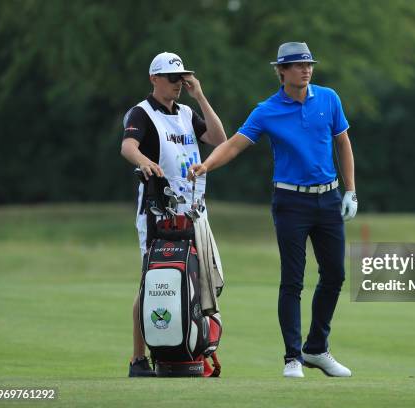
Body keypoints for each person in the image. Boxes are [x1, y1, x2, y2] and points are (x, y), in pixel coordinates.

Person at [189, 42, 357, 378]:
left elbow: (343, 142)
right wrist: (206, 165)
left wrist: (350, 190)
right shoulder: (267, 110)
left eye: (308, 64)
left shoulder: (329, 98)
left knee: (335, 274)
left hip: (328, 198)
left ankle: (316, 349)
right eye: (297, 65)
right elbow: (235, 144)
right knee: (293, 280)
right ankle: (293, 357)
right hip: (290, 202)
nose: (305, 69)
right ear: (281, 71)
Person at [120, 51, 227, 377]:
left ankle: (190, 349)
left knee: (200, 280)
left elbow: (219, 138)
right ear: (154, 79)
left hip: (194, 212)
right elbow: (128, 146)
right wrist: (144, 162)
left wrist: (200, 95)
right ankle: (139, 359)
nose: (177, 83)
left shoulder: (185, 112)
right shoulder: (142, 112)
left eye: (181, 77)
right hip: (158, 212)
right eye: (171, 77)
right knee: (151, 282)